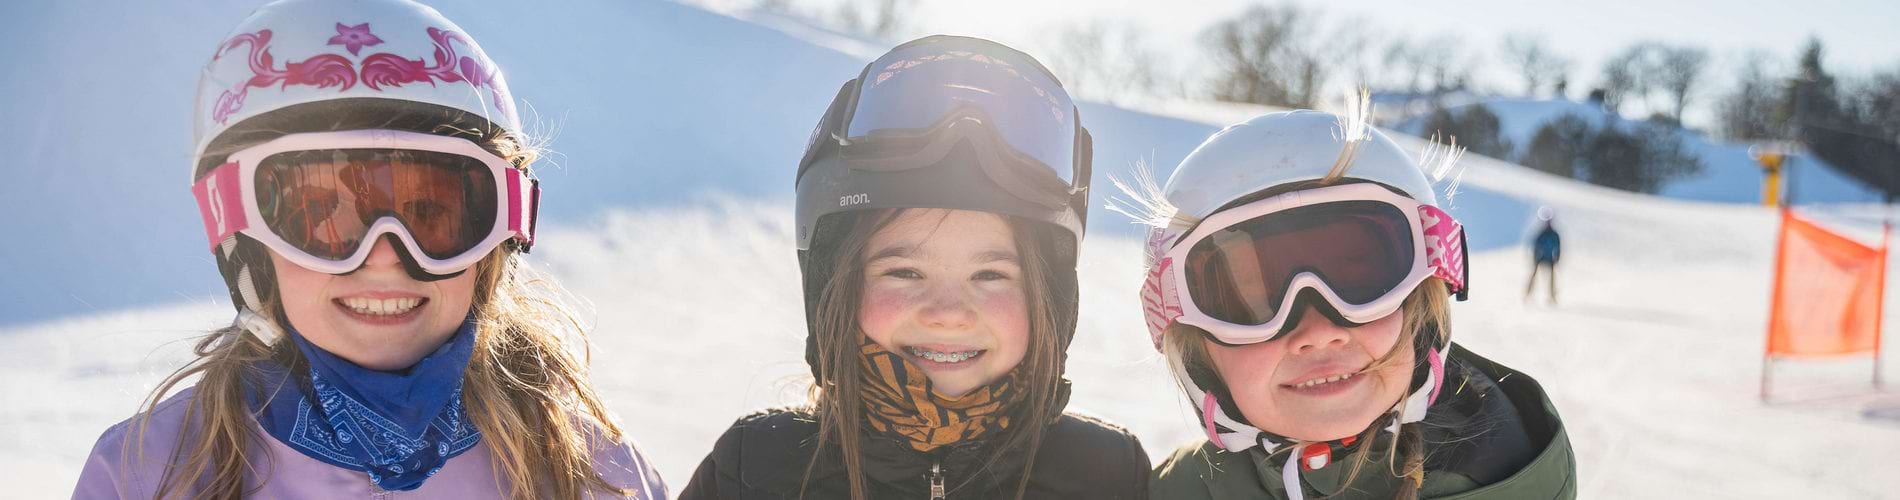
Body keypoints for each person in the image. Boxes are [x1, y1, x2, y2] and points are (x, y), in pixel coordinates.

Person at [73, 0, 665, 497]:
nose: (383, 256)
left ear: (496, 240)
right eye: (318, 217)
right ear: (244, 243)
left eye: (431, 215)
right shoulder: (152, 472)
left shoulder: (590, 473)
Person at [679, 35, 1148, 500]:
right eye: (905, 272)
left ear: (1050, 297)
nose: (948, 312)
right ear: (833, 286)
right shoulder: (754, 469)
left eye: (990, 275)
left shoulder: (1106, 475)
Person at [1130, 109, 1575, 499]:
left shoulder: (1511, 481)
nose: (1318, 330)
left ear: (1421, 308)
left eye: (1359, 279)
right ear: (1195, 353)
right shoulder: (1173, 492)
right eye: (1250, 300)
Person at [1526, 207, 1561, 305]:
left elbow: (1558, 247)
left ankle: (1552, 296)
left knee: (1552, 278)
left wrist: (1557, 257)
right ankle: (1528, 294)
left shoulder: (1554, 234)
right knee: (1533, 276)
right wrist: (1535, 258)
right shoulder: (1541, 234)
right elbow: (1536, 247)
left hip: (1550, 259)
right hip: (1540, 258)